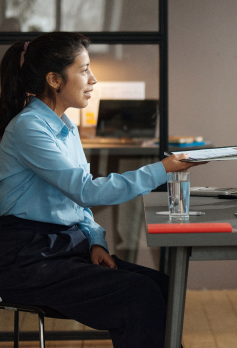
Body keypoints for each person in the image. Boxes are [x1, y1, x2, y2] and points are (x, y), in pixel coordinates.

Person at [0, 32, 204, 348]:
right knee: (140, 296)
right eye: (83, 70)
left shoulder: (65, 126)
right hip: (27, 258)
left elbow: (76, 199)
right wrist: (162, 168)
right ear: (55, 80)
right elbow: (87, 191)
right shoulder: (29, 127)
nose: (93, 79)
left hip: (65, 247)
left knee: (163, 285)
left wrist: (95, 241)